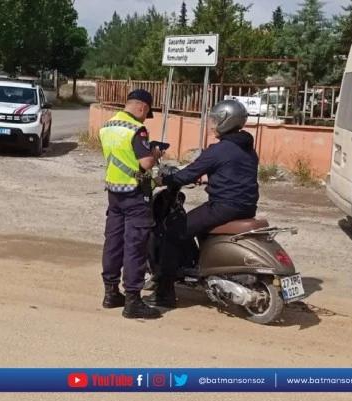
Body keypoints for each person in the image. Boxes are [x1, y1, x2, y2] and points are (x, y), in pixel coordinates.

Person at [148, 99, 260, 308]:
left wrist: (162, 180)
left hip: (223, 206)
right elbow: (236, 173)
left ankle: (165, 293)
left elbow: (187, 174)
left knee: (172, 231)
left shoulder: (219, 150)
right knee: (196, 227)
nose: (212, 125)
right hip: (247, 206)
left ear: (226, 122)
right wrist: (210, 178)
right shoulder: (247, 148)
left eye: (215, 121)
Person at [99, 89, 164, 319]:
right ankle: (133, 301)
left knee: (113, 242)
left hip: (114, 192)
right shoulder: (138, 129)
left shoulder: (107, 126)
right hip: (136, 195)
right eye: (147, 113)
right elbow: (145, 163)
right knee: (135, 246)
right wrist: (155, 153)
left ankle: (110, 293)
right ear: (143, 107)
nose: (146, 117)